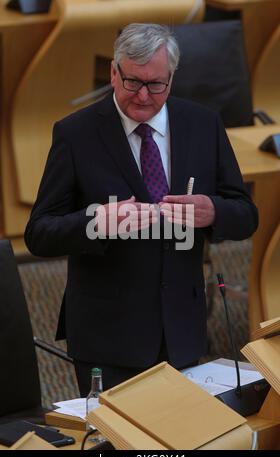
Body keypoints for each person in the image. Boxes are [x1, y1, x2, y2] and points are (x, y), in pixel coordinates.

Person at [25, 23, 258, 395]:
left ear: (172, 78)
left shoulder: (203, 124)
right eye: (133, 82)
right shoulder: (76, 133)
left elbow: (246, 214)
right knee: (114, 449)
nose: (144, 97)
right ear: (114, 72)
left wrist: (212, 211)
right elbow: (39, 233)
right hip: (108, 334)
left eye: (156, 84)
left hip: (181, 325)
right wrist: (96, 222)